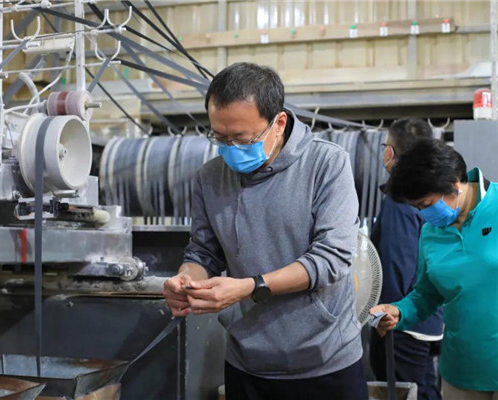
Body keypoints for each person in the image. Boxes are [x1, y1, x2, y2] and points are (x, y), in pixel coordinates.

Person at [162, 62, 368, 400]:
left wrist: (250, 287)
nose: (230, 148)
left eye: (241, 138)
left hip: (325, 361)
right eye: (220, 138)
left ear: (279, 123)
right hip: (248, 364)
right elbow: (203, 252)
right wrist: (186, 280)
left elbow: (332, 258)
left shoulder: (326, 164)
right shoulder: (210, 178)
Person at [370, 139, 498, 400]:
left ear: (453, 183)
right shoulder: (430, 233)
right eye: (417, 208)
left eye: (426, 205)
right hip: (462, 373)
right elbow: (426, 295)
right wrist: (399, 310)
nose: (423, 215)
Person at [369, 118, 443, 400]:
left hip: (403, 327)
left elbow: (395, 270)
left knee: (406, 392)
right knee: (424, 391)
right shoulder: (430, 194)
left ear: (390, 153)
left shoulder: (399, 201)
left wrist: (384, 320)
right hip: (427, 322)